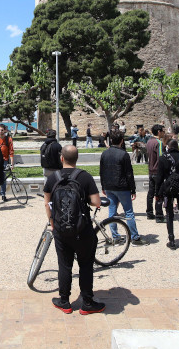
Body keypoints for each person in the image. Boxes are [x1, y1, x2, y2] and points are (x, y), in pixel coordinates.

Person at [44, 145, 104, 315]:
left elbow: (47, 202)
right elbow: (96, 202)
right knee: (85, 265)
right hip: (82, 229)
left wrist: (51, 221)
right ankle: (87, 302)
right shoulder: (84, 177)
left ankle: (64, 301)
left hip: (61, 229)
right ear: (77, 159)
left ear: (61, 158)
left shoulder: (52, 178)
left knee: (64, 265)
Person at [99, 129, 144, 246]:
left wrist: (103, 185)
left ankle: (115, 236)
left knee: (112, 212)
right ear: (122, 141)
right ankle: (134, 237)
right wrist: (133, 189)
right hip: (122, 186)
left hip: (109, 185)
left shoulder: (105, 153)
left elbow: (101, 171)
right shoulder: (123, 154)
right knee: (129, 212)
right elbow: (129, 173)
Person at [157, 139, 179, 249]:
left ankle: (171, 240)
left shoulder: (163, 157)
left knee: (169, 214)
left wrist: (157, 192)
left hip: (169, 185)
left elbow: (160, 176)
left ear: (168, 146)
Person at [145, 124, 165, 222]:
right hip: (158, 171)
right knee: (159, 193)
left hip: (151, 170)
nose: (163, 133)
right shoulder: (159, 143)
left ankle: (149, 213)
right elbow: (161, 158)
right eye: (162, 131)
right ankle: (159, 215)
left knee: (150, 193)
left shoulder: (149, 142)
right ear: (159, 132)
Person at [0, 124, 14, 201]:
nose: (0, 131)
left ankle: (3, 194)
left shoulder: (9, 139)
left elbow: (11, 152)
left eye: (2, 130)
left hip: (4, 161)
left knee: (3, 178)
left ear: (5, 130)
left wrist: (12, 163)